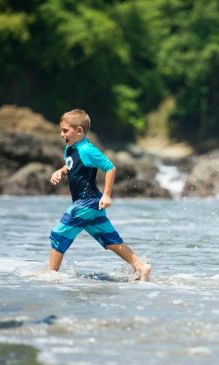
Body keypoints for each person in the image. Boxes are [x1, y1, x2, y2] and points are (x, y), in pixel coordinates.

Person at [47, 109, 151, 281]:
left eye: (65, 130)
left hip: (87, 202)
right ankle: (141, 267)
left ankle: (51, 275)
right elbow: (71, 166)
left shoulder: (87, 149)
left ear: (79, 131)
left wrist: (107, 195)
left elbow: (110, 167)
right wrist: (60, 171)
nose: (61, 134)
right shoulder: (70, 148)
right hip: (90, 205)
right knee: (110, 240)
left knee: (59, 234)